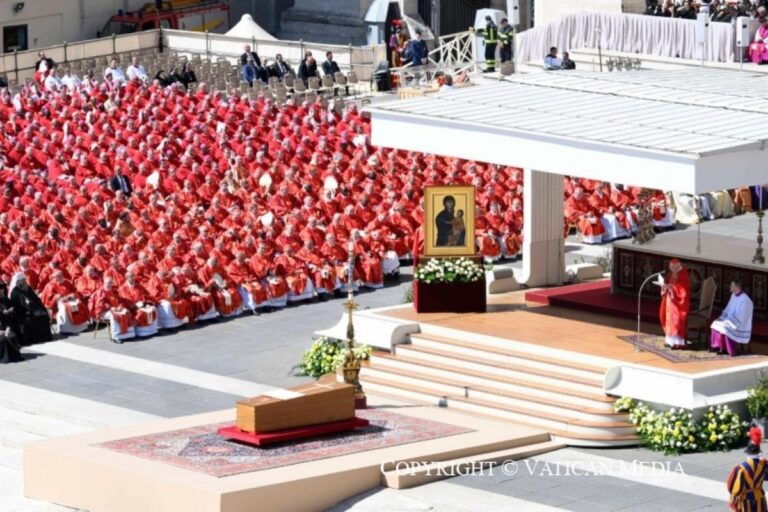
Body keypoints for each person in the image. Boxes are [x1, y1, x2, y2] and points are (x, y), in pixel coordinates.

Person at [727, 426, 766, 512]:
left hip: (746, 500)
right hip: (760, 498)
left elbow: (735, 489)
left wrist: (732, 502)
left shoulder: (741, 467)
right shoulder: (764, 464)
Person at [710, 279, 753, 356]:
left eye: (731, 285)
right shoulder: (733, 295)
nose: (730, 287)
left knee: (725, 327)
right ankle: (717, 346)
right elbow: (728, 308)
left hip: (738, 323)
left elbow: (742, 316)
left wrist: (730, 321)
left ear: (736, 287)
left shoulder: (745, 300)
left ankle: (728, 349)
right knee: (715, 323)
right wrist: (722, 317)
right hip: (729, 319)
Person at [9, 273, 52, 346]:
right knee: (31, 318)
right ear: (17, 282)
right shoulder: (15, 292)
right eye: (22, 281)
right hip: (22, 312)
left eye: (24, 280)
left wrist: (41, 308)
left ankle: (44, 337)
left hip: (33, 309)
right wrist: (27, 307)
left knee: (44, 315)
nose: (24, 282)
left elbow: (36, 299)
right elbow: (16, 305)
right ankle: (35, 339)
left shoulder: (28, 288)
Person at [659, 259, 690, 349]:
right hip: (669, 300)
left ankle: (677, 342)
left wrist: (671, 287)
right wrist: (664, 286)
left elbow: (683, 290)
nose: (670, 268)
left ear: (677, 266)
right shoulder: (670, 274)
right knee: (668, 319)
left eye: (671, 267)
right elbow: (668, 284)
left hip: (679, 304)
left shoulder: (683, 275)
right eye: (670, 266)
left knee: (675, 320)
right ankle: (669, 341)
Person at [0, 281, 22, 364]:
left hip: (4, 326)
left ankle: (12, 357)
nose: (1, 291)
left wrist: (8, 328)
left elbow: (8, 319)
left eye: (2, 289)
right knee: (2, 340)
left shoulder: (5, 300)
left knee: (11, 336)